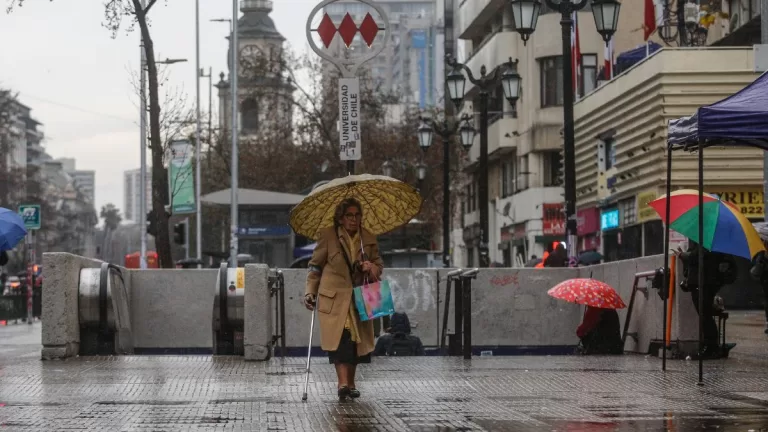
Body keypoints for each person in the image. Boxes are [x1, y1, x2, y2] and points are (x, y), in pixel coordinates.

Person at [303, 198, 383, 400]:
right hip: (335, 298)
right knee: (341, 340)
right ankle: (342, 383)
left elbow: (378, 267)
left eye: (357, 215)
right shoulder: (328, 236)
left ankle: (352, 382)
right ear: (340, 217)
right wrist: (310, 291)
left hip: (360, 297)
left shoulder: (368, 238)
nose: (354, 219)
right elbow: (315, 267)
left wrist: (369, 267)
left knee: (357, 342)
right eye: (349, 215)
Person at [677, 241, 737, 357]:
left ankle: (711, 347)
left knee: (705, 315)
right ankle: (711, 346)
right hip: (703, 281)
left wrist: (684, 256)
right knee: (705, 314)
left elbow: (698, 256)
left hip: (705, 282)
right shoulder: (705, 240)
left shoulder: (707, 241)